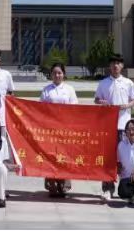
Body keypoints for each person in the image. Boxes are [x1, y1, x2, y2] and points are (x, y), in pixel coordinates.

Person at [94, 53, 134, 202]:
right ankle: (107, 189)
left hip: (124, 126)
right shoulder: (103, 83)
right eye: (113, 63)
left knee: (126, 158)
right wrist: (101, 102)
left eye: (118, 63)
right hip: (108, 126)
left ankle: (129, 189)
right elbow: (96, 99)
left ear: (122, 66)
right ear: (109, 66)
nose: (115, 66)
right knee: (108, 158)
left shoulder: (128, 82)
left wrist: (127, 105)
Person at [39, 62, 78, 198]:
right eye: (54, 73)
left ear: (64, 74)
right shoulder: (46, 90)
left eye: (59, 73)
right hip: (50, 130)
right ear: (51, 75)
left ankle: (63, 187)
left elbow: (75, 109)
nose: (57, 75)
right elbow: (41, 109)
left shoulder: (69, 89)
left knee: (64, 157)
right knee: (50, 156)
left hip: (65, 129)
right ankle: (51, 186)